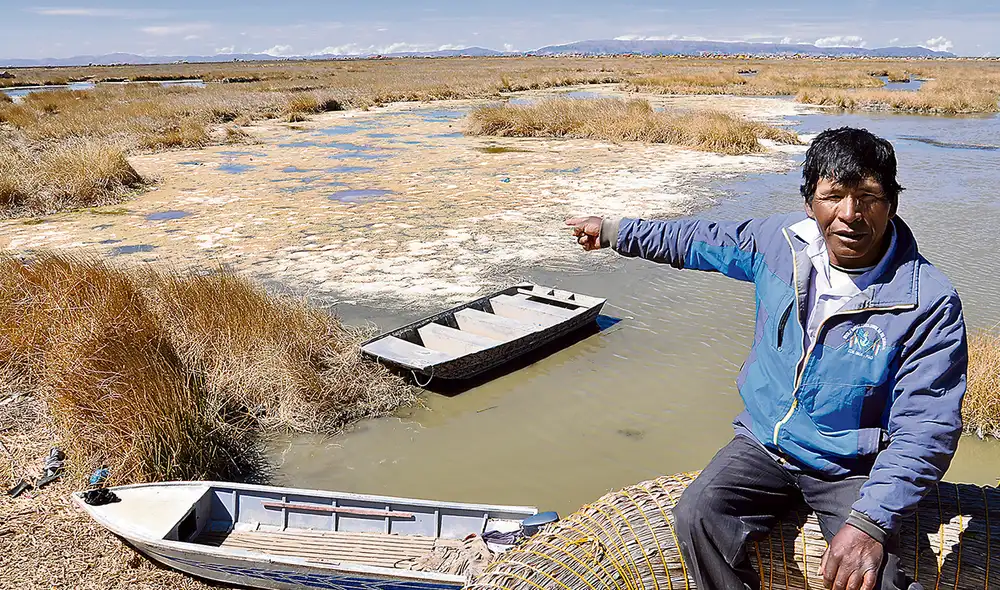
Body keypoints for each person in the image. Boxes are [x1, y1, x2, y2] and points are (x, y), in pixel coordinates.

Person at [566, 127, 967, 590]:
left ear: (891, 202)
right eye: (833, 196)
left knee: (881, 580)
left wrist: (869, 523)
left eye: (869, 196)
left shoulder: (926, 301)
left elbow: (926, 426)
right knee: (697, 514)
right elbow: (698, 240)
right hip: (765, 443)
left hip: (850, 466)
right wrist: (615, 232)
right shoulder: (780, 244)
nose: (850, 215)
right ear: (809, 202)